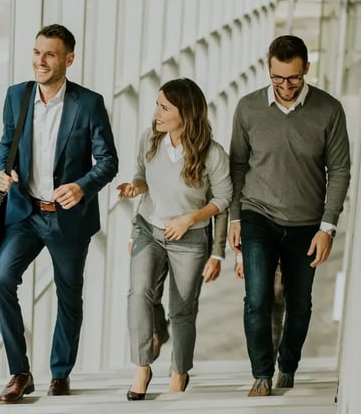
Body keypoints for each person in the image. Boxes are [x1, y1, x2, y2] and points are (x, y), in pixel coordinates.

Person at [0, 24, 119, 404]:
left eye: (49, 54)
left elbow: (108, 161)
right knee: (0, 284)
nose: (40, 61)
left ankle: (60, 372)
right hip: (26, 212)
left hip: (67, 217)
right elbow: (5, 145)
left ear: (68, 59)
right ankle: (20, 372)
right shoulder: (18, 96)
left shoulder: (88, 103)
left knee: (69, 297)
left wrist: (81, 186)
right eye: (36, 52)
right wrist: (2, 172)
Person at [228, 35, 351, 397]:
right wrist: (234, 218)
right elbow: (236, 166)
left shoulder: (329, 110)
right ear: (268, 68)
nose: (285, 86)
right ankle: (262, 374)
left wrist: (327, 227)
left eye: (293, 78)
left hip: (306, 223)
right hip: (257, 215)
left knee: (300, 302)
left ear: (306, 70)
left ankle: (289, 367)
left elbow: (340, 170)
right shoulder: (248, 108)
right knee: (257, 297)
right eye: (278, 78)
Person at [117, 78, 232, 400]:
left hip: (189, 239)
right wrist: (135, 187)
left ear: (186, 113)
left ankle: (179, 372)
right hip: (148, 228)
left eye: (164, 107)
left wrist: (190, 219)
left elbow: (223, 198)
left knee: (182, 311)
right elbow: (141, 176)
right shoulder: (150, 139)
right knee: (138, 293)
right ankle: (142, 367)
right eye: (157, 105)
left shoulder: (212, 153)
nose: (156, 113)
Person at [148, 207, 229, 361]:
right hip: (158, 234)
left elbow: (221, 206)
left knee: (186, 303)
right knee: (149, 292)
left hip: (196, 237)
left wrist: (217, 252)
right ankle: (159, 330)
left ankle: (179, 360)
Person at [235, 257, 284, 362]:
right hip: (259, 252)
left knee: (278, 306)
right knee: (257, 305)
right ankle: (264, 370)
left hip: (286, 252)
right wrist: (241, 258)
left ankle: (270, 366)